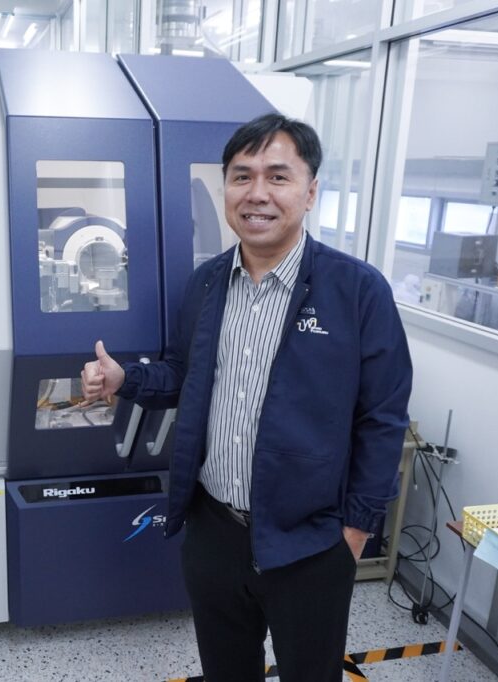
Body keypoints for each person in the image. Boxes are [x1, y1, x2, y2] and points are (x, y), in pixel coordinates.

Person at [81, 114, 412, 682]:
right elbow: (184, 374)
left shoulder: (357, 291)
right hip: (214, 532)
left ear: (310, 192)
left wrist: (355, 531)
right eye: (242, 176)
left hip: (310, 540)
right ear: (225, 190)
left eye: (278, 176)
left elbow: (383, 418)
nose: (257, 193)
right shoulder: (207, 283)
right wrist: (124, 380)